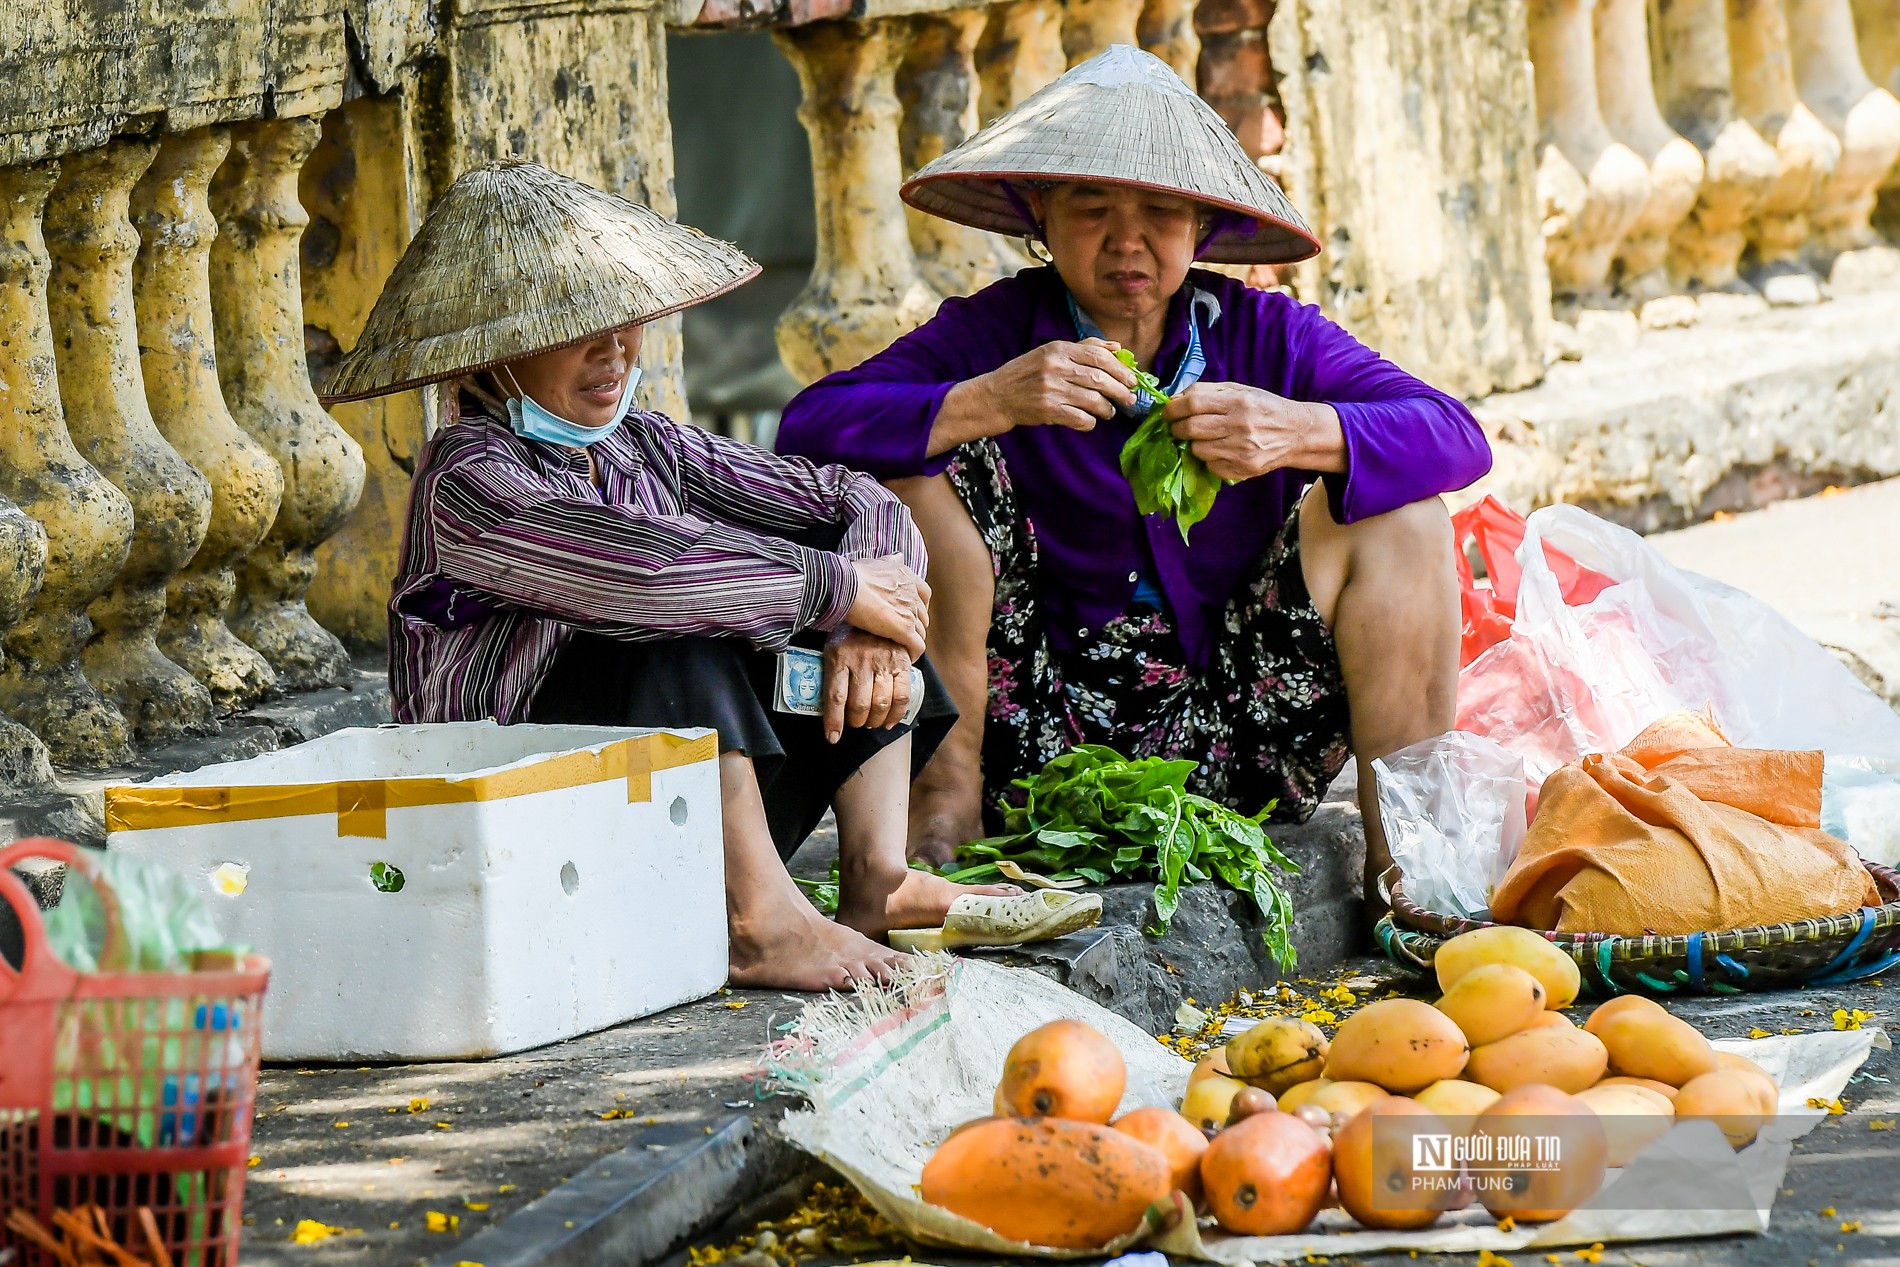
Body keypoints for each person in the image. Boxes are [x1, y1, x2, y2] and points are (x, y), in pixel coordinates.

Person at [775, 47, 1492, 911]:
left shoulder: (1270, 336)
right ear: (1041, 213)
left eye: (1160, 210)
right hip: (1033, 743)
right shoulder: (1001, 329)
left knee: (1404, 517)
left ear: (1200, 226)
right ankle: (943, 812)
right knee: (916, 482)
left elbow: (1455, 436)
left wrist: (1297, 429)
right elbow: (809, 428)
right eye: (1092, 208)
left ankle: (1408, 872)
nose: (1128, 240)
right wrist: (992, 398)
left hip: (1238, 729)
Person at [320, 159, 1016, 992]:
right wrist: (839, 586)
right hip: (524, 825)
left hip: (664, 813)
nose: (613, 349)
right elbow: (648, 574)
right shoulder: (468, 475)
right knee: (685, 642)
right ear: (491, 354)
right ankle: (756, 922)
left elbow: (848, 493)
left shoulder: (644, 442)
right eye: (576, 325)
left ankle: (879, 876)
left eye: (627, 320)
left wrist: (865, 619)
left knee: (875, 626)